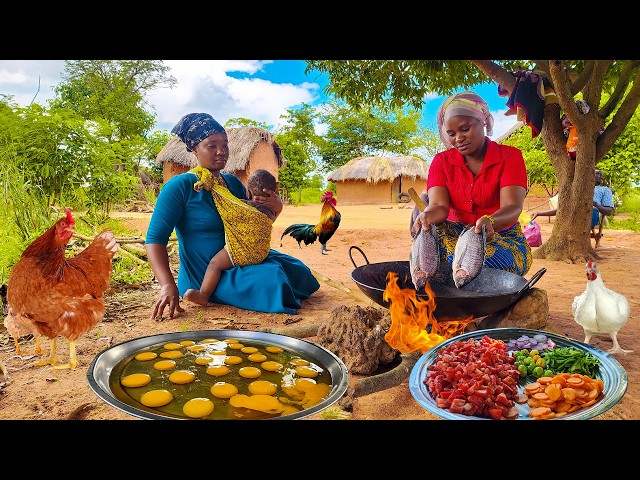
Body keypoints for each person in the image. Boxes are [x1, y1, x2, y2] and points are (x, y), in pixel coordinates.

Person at [145, 113, 320, 319]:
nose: (221, 152)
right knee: (274, 279)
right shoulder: (180, 186)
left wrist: (277, 208)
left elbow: (254, 224)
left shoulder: (233, 184)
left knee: (298, 270)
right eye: (211, 146)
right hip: (205, 273)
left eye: (225, 145)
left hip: (238, 256)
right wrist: (167, 284)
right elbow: (155, 239)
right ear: (194, 149)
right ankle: (206, 294)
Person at [411, 91, 532, 277]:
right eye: (451, 133)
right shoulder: (441, 162)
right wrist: (426, 216)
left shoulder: (509, 157)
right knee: (426, 260)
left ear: (483, 121)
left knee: (492, 263)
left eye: (465, 129)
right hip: (452, 234)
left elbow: (513, 206)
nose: (458, 138)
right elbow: (439, 206)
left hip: (501, 237)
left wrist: (490, 221)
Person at [183, 169, 278, 306]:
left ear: (248, 193)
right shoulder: (272, 210)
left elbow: (225, 202)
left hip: (242, 252)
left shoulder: (239, 206)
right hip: (261, 252)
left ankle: (203, 295)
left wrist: (214, 187)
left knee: (215, 264)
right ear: (274, 190)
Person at [530, 169, 615, 229]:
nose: (600, 176)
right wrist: (539, 213)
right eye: (597, 174)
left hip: (591, 213)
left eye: (601, 175)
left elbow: (609, 211)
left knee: (575, 209)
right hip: (574, 211)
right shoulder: (579, 188)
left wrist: (596, 205)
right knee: (568, 207)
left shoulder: (604, 190)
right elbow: (562, 210)